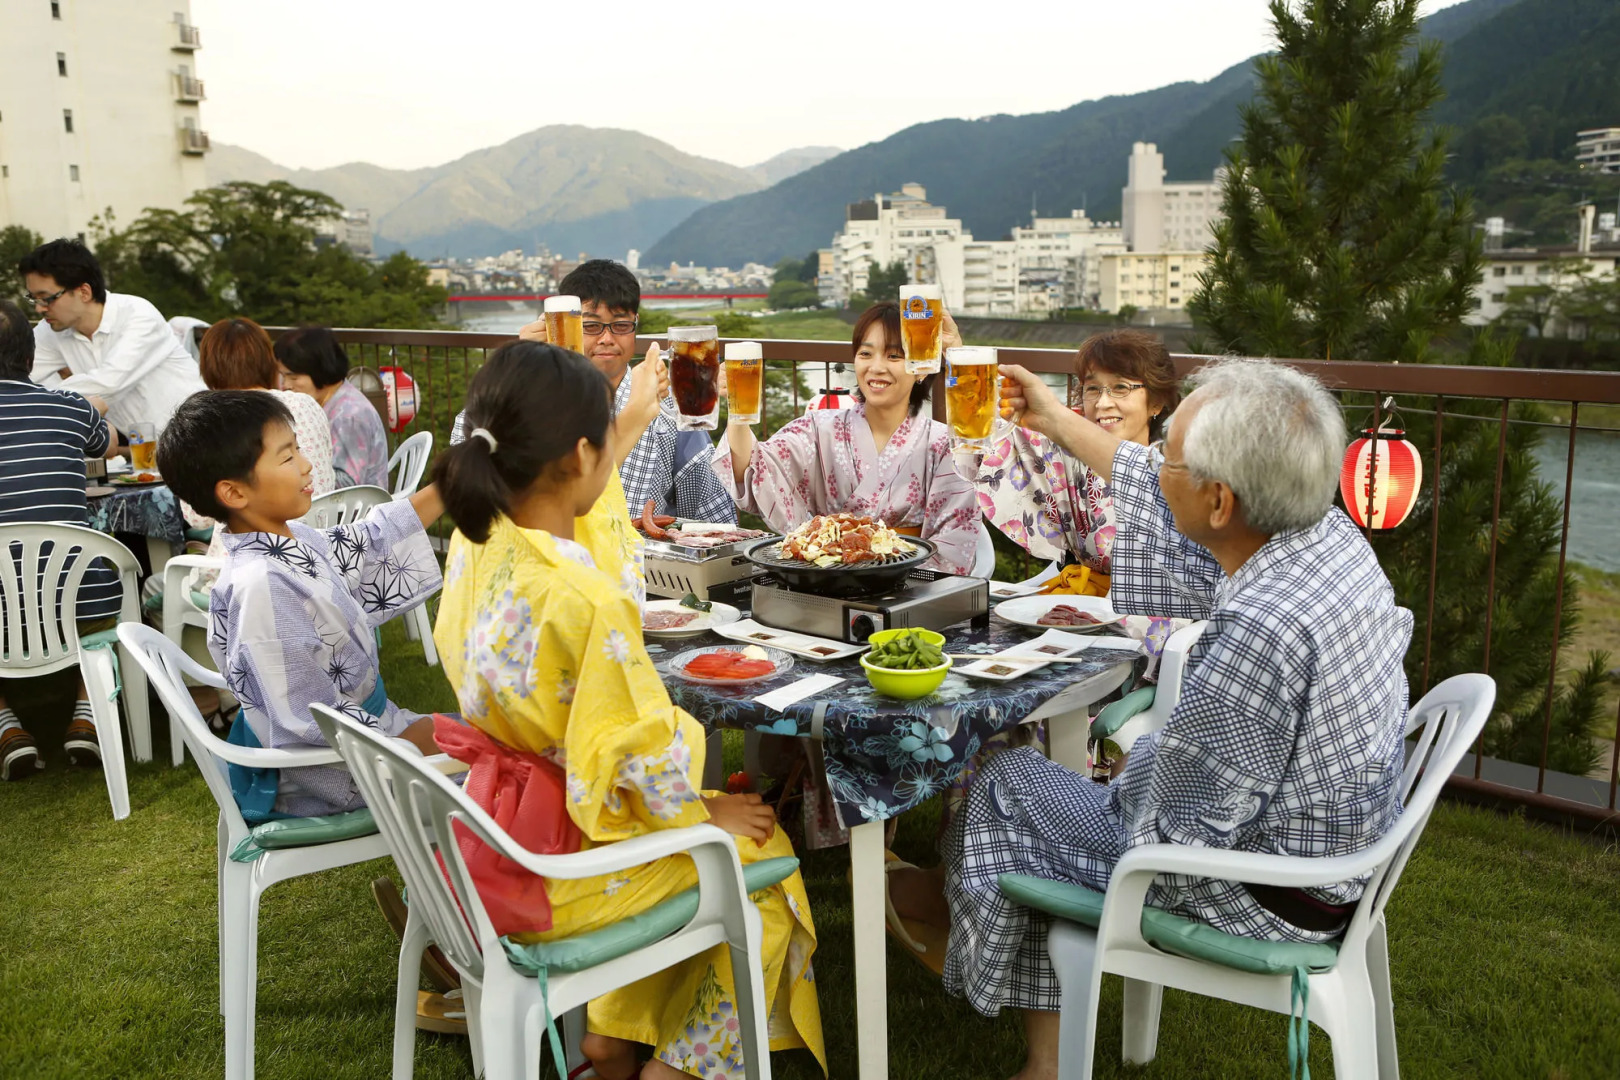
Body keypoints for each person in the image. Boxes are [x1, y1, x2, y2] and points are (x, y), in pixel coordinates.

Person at [893, 357, 1413, 1080]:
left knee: (1006, 784)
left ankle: (990, 983)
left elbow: (1168, 824)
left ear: (1220, 501)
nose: (1150, 469)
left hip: (1257, 888)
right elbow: (1143, 485)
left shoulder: (1263, 627)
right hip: (1340, 855)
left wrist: (1138, 764)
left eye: (1169, 457)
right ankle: (956, 913)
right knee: (1052, 788)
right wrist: (1052, 418)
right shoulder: (1325, 539)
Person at [433, 341, 824, 1080]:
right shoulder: (584, 597)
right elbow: (635, 758)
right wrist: (704, 811)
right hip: (560, 860)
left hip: (496, 830)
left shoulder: (476, 543)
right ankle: (670, 1069)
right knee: (763, 859)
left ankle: (612, 1042)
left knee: (708, 835)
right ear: (584, 456)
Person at [156, 391, 444, 819]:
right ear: (233, 492)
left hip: (366, 736)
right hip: (336, 772)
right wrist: (404, 743)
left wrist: (453, 484)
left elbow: (369, 540)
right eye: (288, 456)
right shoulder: (261, 586)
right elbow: (307, 723)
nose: (307, 465)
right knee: (508, 755)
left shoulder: (288, 541)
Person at [452, 260, 735, 524]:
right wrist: (524, 369)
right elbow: (467, 459)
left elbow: (711, 512)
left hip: (642, 556)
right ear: (560, 327)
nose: (607, 338)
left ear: (635, 324)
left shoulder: (669, 407)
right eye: (590, 326)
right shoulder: (531, 394)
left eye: (621, 325)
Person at [713, 300, 980, 574]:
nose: (876, 367)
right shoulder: (818, 428)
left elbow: (954, 537)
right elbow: (752, 469)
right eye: (866, 353)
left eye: (894, 356)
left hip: (910, 581)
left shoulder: (943, 445)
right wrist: (737, 409)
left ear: (921, 367)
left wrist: (957, 354)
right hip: (823, 576)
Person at [960, 329, 1195, 610]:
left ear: (1156, 402)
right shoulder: (1068, 456)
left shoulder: (1176, 473)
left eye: (1121, 387)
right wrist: (958, 355)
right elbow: (994, 435)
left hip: (1149, 611)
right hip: (1077, 605)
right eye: (1093, 388)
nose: (1103, 403)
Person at [0, 299, 122, 778]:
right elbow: (109, 443)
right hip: (79, 605)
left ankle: (7, 727)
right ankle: (87, 713)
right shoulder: (68, 406)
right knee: (103, 579)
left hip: (2, 614)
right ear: (31, 357)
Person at [21, 239, 205, 441]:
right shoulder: (51, 330)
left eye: (46, 298)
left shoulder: (139, 315)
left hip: (202, 436)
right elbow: (14, 375)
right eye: (33, 298)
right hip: (147, 449)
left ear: (84, 292)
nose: (39, 308)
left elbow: (109, 384)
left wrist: (37, 402)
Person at [196, 318, 337, 503]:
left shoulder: (217, 418)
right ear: (268, 360)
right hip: (326, 516)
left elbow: (198, 513)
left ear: (209, 366)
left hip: (272, 520)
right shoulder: (306, 403)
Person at [273, 325, 390, 490]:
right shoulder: (331, 400)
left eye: (293, 377)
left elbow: (349, 485)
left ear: (319, 371)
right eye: (282, 376)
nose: (285, 385)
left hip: (356, 505)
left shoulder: (350, 415)